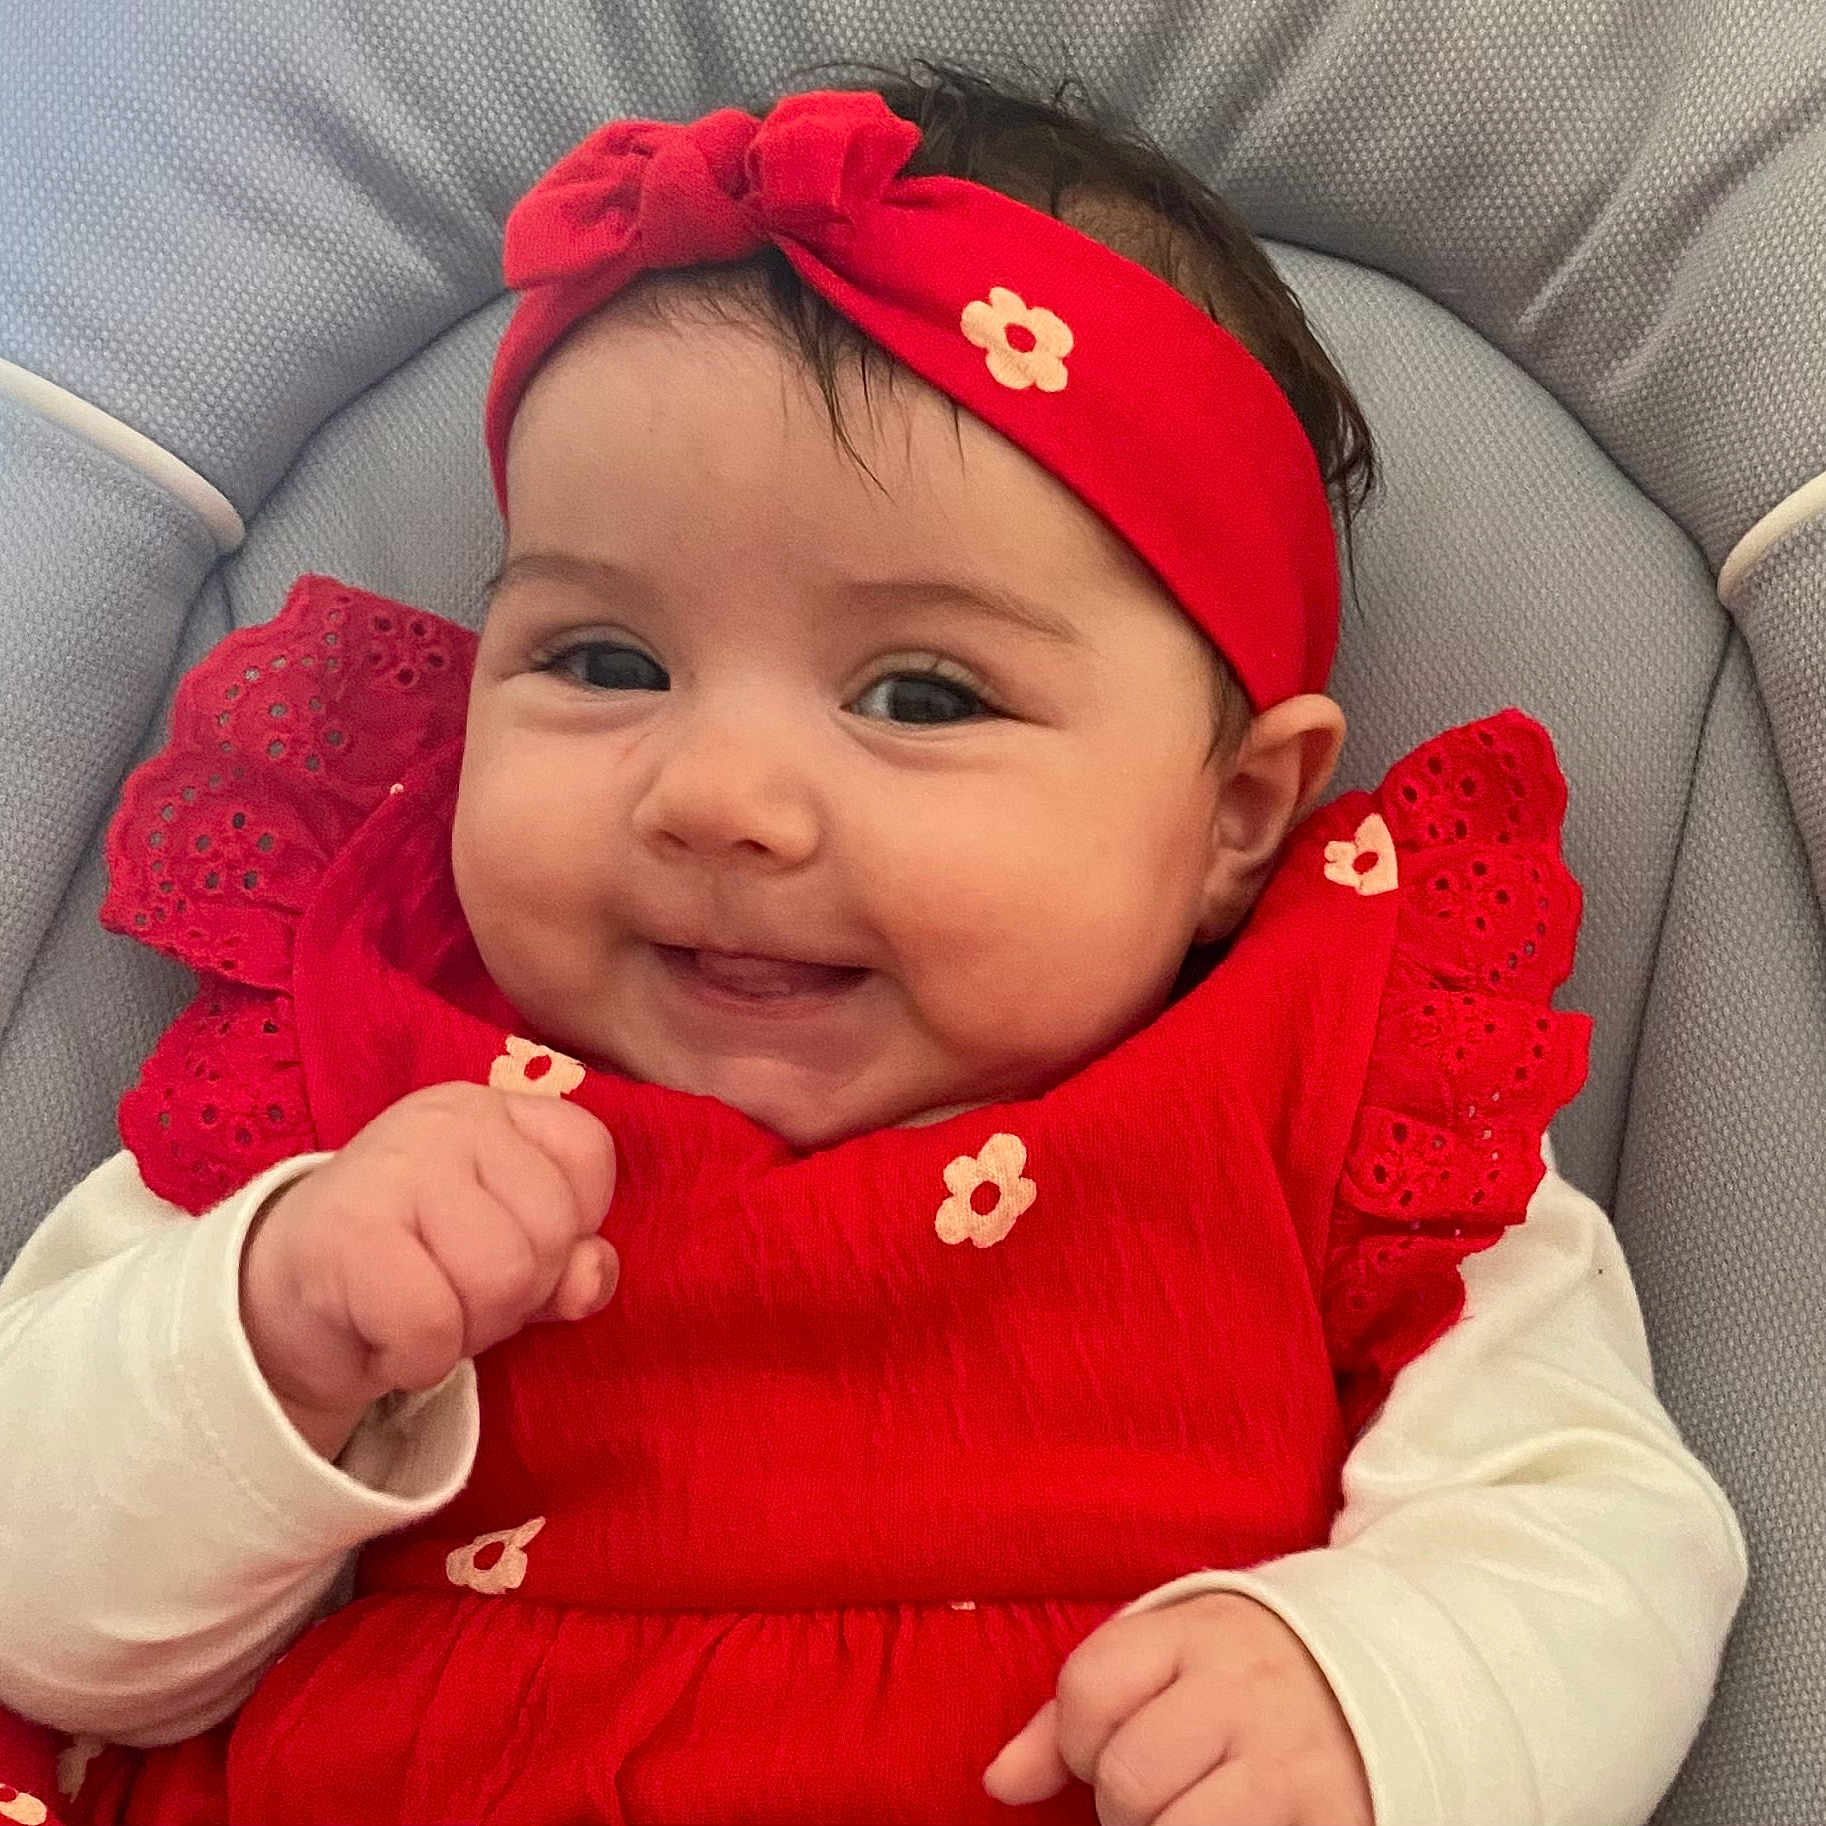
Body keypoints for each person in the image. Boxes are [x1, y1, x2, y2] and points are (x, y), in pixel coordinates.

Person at [0, 63, 1743, 1826]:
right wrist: (270, 1336)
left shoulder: (1338, 1110)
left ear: (1231, 815)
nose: (720, 797)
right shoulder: (352, 1075)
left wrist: (1373, 1698)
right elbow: (47, 1623)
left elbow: (1591, 1530)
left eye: (919, 693)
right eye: (604, 661)